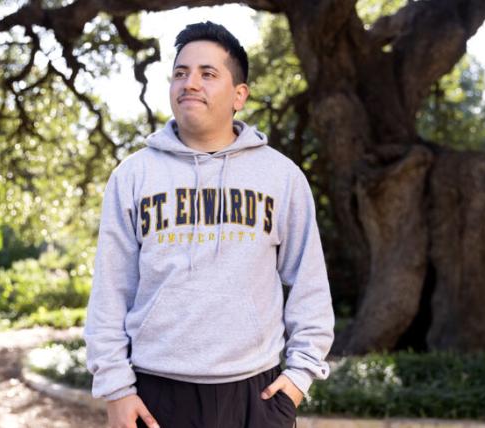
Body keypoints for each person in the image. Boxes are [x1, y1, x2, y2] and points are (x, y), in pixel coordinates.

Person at [83, 21, 334, 428]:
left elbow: (310, 289)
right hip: (154, 394)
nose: (190, 83)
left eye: (207, 73)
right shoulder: (132, 176)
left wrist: (298, 379)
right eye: (180, 73)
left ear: (239, 95)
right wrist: (116, 390)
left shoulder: (281, 178)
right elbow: (110, 291)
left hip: (256, 395)